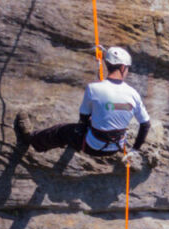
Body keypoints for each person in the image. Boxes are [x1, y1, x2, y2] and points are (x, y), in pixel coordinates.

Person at [14, 46, 150, 160]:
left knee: (62, 130)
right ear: (122, 68)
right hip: (116, 148)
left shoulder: (93, 88)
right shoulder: (133, 94)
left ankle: (29, 140)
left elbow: (83, 118)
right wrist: (134, 150)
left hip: (93, 146)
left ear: (107, 65)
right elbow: (145, 124)